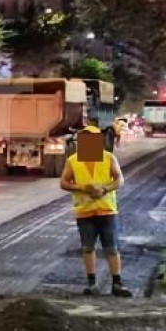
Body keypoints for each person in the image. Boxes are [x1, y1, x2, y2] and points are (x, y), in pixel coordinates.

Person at [59, 126, 131, 298]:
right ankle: (92, 283)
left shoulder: (108, 158)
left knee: (111, 248)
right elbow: (64, 182)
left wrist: (104, 189)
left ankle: (117, 283)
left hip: (106, 210)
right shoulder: (73, 161)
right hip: (85, 212)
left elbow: (119, 179)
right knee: (88, 248)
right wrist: (82, 188)